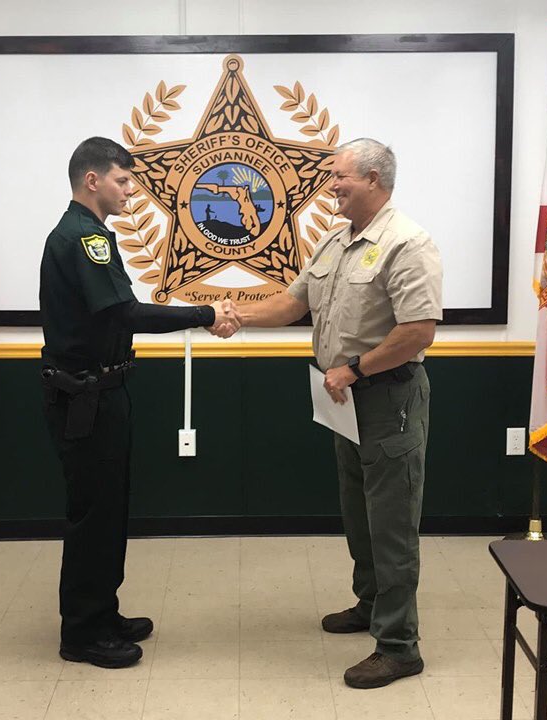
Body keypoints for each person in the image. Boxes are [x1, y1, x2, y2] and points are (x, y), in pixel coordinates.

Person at [232, 138, 443, 689]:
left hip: (386, 398)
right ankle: (370, 604)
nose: (331, 186)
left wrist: (353, 368)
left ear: (373, 178)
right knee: (358, 511)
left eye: (340, 176)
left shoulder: (407, 243)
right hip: (342, 398)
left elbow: (418, 331)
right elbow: (293, 303)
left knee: (392, 522)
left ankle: (399, 646)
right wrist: (234, 315)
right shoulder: (335, 240)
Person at [39, 137, 240, 669]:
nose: (130, 190)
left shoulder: (87, 234)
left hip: (100, 391)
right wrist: (204, 314)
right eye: (122, 180)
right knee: (93, 516)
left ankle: (102, 614)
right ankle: (82, 633)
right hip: (86, 398)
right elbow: (125, 313)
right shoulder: (83, 238)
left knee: (109, 511)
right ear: (92, 180)